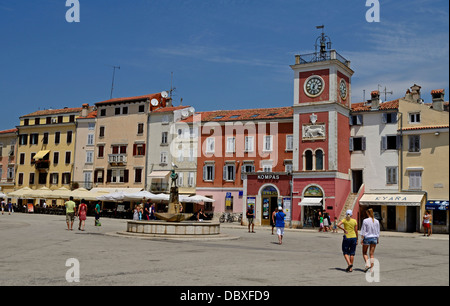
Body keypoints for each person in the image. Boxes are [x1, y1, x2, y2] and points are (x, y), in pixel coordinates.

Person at [360, 208, 380, 273]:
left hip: (367, 238)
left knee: (364, 252)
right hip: (374, 238)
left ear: (367, 213)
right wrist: (377, 239)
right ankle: (371, 269)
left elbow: (363, 231)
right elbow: (378, 231)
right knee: (372, 254)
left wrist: (362, 239)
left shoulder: (365, 221)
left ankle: (367, 264)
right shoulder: (376, 221)